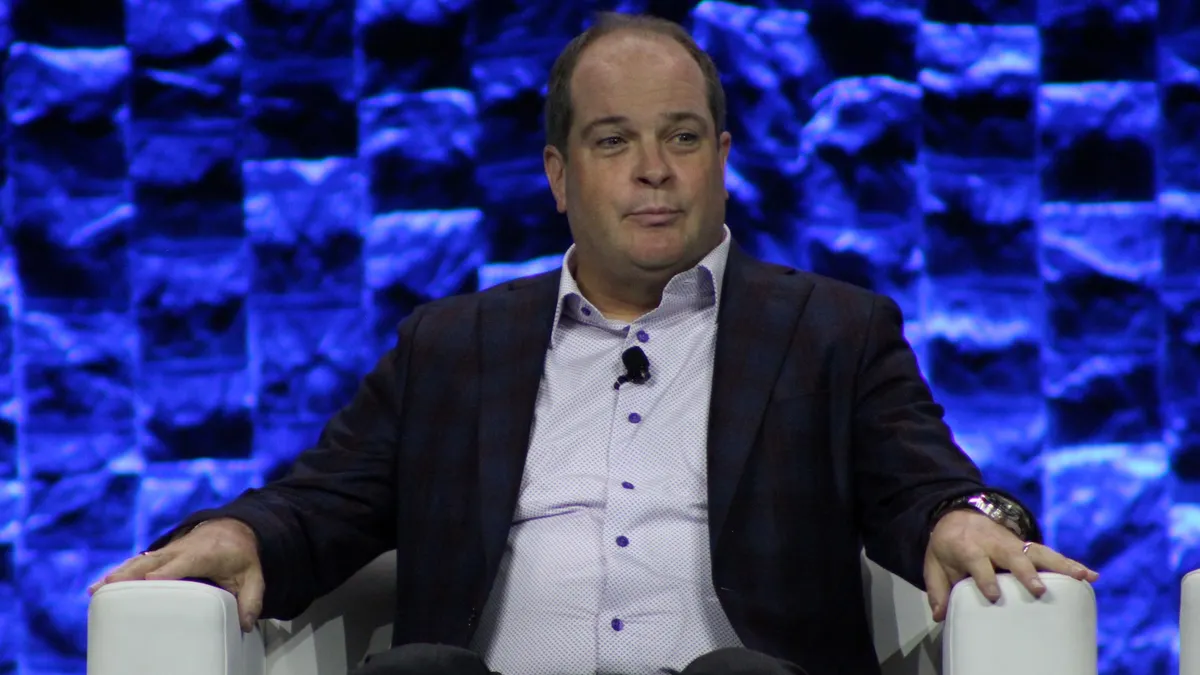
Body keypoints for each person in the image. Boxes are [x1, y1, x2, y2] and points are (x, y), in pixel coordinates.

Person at [89, 12, 1098, 675]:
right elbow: (329, 498)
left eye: (683, 136)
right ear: (561, 175)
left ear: (723, 160)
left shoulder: (830, 330)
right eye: (615, 141)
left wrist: (967, 519)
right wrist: (242, 535)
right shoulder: (454, 346)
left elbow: (923, 484)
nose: (653, 170)